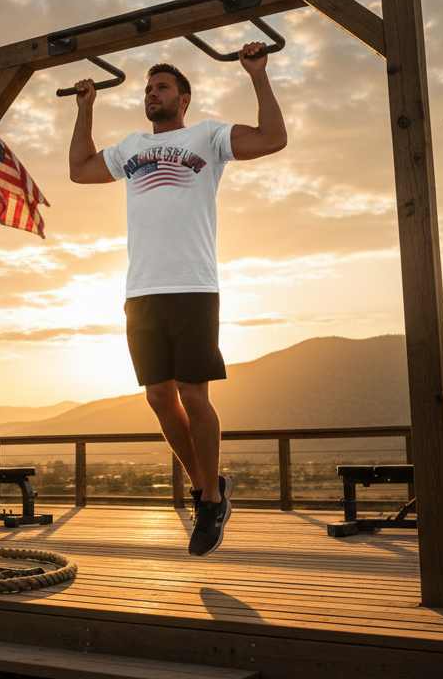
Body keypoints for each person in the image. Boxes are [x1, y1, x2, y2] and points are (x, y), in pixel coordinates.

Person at [67, 41, 287, 555]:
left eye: (162, 87)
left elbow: (273, 137)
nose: (151, 93)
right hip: (140, 292)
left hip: (192, 286)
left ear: (183, 99)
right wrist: (85, 108)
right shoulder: (130, 147)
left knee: (194, 396)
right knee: (158, 398)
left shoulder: (207, 135)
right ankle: (209, 485)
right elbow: (80, 168)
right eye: (147, 88)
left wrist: (257, 75)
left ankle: (210, 500)